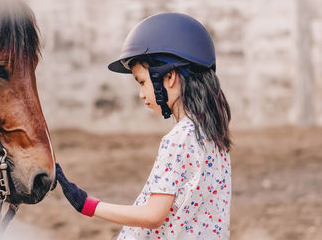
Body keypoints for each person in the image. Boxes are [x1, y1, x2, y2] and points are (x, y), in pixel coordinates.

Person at [55, 13, 232, 239]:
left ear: (169, 77)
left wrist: (87, 204)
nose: (141, 94)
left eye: (141, 82)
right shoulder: (213, 137)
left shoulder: (178, 139)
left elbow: (152, 215)